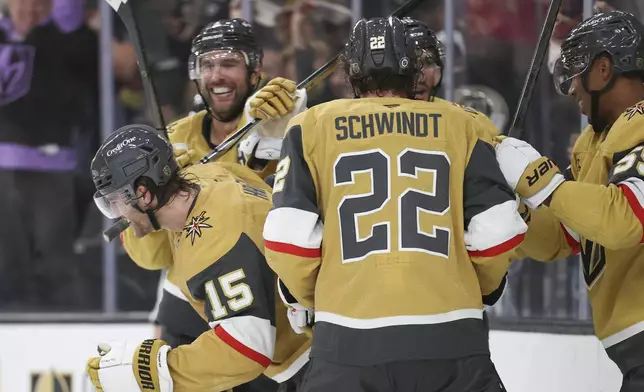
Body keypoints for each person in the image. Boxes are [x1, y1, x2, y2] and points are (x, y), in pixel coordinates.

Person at [263, 16, 527, 392]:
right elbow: (497, 231)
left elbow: (289, 238)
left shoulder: (310, 125)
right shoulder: (461, 123)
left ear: (350, 73)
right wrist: (478, 288)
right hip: (452, 342)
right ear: (415, 70)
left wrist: (312, 296)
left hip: (346, 343)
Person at [119, 18, 309, 391]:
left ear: (255, 72)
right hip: (190, 299)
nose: (217, 75)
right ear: (195, 74)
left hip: (266, 302)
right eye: (207, 64)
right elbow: (152, 258)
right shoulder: (171, 141)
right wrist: (160, 197)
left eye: (229, 63)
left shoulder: (279, 121)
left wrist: (291, 134)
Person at [86, 125, 310, 392]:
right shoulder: (208, 174)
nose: (116, 214)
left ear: (144, 194)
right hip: (314, 344)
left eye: (114, 202)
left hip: (310, 363)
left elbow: (247, 349)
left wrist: (162, 374)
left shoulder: (215, 245)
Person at [495, 11, 644, 391]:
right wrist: (511, 206)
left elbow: (627, 219)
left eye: (575, 71)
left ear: (604, 68)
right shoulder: (594, 142)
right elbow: (564, 234)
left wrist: (539, 177)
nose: (571, 87)